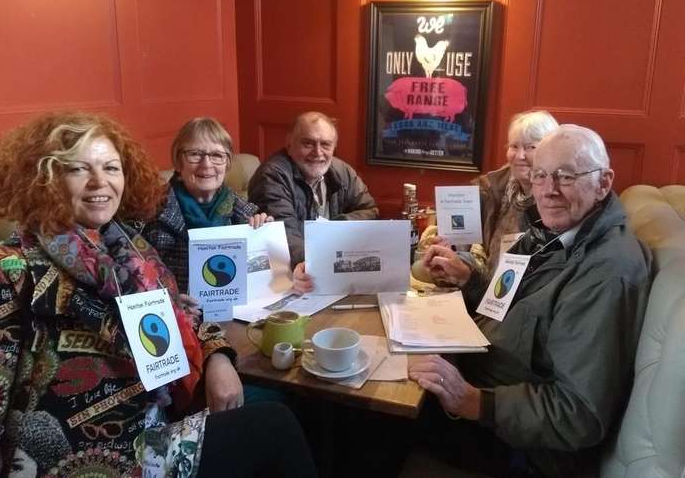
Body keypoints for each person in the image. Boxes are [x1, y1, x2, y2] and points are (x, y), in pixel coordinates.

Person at [0, 112, 316, 477]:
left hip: (149, 427)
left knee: (280, 418)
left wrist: (217, 358)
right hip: (80, 456)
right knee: (274, 424)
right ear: (45, 179)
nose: (100, 181)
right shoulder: (12, 269)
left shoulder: (129, 250)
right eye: (78, 169)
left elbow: (177, 308)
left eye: (111, 168)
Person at [409, 125, 651, 477]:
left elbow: (579, 414)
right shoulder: (549, 232)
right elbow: (506, 306)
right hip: (474, 376)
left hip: (516, 446)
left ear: (604, 182)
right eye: (540, 175)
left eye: (566, 176)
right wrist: (471, 282)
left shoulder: (606, 273)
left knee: (367, 419)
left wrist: (471, 400)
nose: (549, 190)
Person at [143, 117, 271, 296]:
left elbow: (262, 271)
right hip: (178, 314)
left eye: (217, 155)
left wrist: (264, 231)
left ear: (227, 164)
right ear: (179, 163)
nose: (206, 164)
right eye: (195, 154)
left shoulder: (242, 212)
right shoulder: (152, 212)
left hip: (235, 311)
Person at [248, 111, 378, 285]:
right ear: (289, 144)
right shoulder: (271, 176)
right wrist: (321, 264)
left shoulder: (342, 171)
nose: (318, 152)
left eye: (325, 144)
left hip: (329, 268)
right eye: (308, 143)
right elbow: (286, 237)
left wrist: (331, 229)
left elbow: (370, 211)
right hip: (290, 277)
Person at [467, 110, 558, 280]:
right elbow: (466, 245)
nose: (520, 156)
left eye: (531, 147)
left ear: (551, 152)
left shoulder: (559, 202)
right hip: (487, 292)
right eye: (514, 146)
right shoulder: (491, 190)